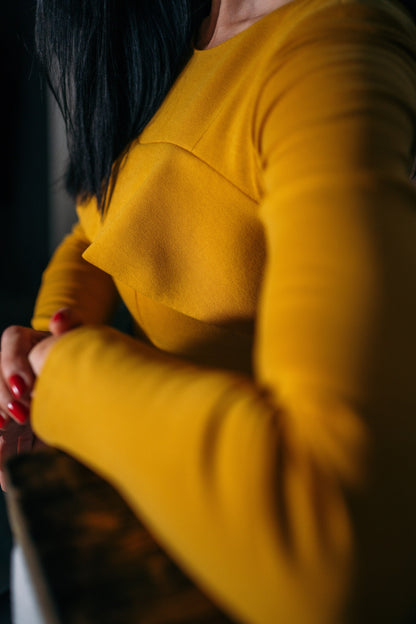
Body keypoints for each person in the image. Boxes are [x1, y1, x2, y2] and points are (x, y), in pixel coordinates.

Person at [1, 0, 416, 621]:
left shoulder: (329, 50)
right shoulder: (181, 28)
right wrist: (44, 345)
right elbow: (94, 231)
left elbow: (332, 555)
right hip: (129, 516)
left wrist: (66, 379)